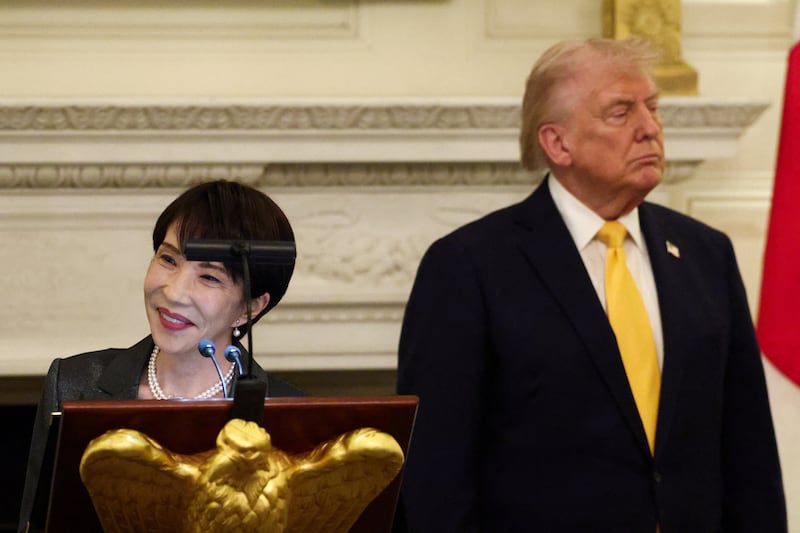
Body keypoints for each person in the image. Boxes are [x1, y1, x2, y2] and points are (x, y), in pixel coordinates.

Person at [395, 38, 786, 532]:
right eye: (620, 113)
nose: (649, 128)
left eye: (652, 107)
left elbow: (749, 449)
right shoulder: (469, 266)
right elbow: (435, 474)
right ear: (558, 144)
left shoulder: (706, 254)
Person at [18, 179, 304, 533]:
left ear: (251, 307)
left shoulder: (293, 416)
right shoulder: (72, 383)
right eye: (168, 259)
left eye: (209, 277)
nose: (174, 292)